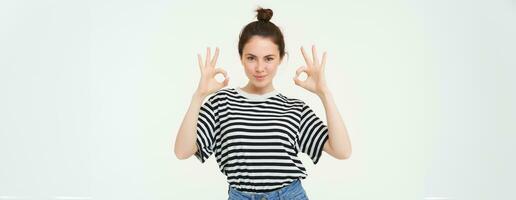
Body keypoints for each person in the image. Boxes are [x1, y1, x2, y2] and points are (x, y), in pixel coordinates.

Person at [174, 7, 352, 200]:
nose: (260, 68)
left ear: (281, 59)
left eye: (269, 58)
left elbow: (342, 151)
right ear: (241, 57)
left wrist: (325, 93)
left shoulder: (294, 108)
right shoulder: (221, 103)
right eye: (251, 58)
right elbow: (183, 152)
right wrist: (198, 96)